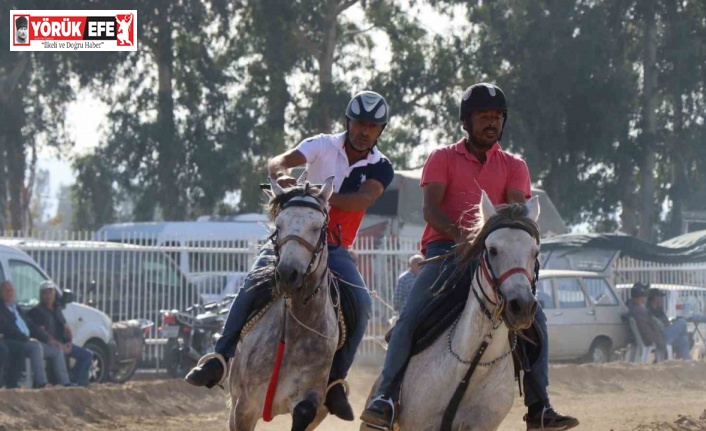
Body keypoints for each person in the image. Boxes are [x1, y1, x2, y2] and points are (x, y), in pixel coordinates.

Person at [361, 83, 578, 431]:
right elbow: (431, 210)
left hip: (495, 256)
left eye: (497, 117)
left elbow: (512, 212)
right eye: (483, 116)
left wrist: (493, 245)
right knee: (411, 317)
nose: (491, 123)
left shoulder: (514, 165)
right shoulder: (442, 157)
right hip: (446, 251)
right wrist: (466, 240)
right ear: (466, 121)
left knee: (536, 321)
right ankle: (385, 397)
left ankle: (539, 406)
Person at [186, 90, 395, 421]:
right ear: (348, 122)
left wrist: (314, 195)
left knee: (363, 303)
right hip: (292, 239)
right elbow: (276, 161)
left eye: (372, 126)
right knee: (252, 284)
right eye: (359, 123)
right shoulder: (323, 144)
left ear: (380, 130)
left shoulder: (381, 166)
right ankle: (220, 357)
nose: (364, 130)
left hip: (334, 248)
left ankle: (335, 383)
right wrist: (283, 176)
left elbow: (361, 200)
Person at [28, 281, 92, 386]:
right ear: (41, 295)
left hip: (62, 343)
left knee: (87, 355)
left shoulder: (57, 309)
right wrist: (57, 344)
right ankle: (67, 383)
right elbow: (40, 333)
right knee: (58, 352)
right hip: (50, 345)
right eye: (45, 293)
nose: (48, 296)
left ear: (54, 294)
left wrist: (68, 341)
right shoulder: (36, 312)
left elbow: (65, 328)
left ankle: (79, 383)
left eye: (50, 292)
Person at [0, 281, 49, 388]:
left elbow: (30, 325)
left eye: (11, 290)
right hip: (15, 339)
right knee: (32, 347)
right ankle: (41, 383)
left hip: (26, 338)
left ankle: (65, 382)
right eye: (6, 290)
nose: (9, 293)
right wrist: (27, 338)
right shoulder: (1, 308)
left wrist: (46, 337)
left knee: (56, 350)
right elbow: (8, 328)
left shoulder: (16, 308)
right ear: (1, 292)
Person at [646, 288, 691, 360]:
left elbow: (665, 322)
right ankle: (680, 358)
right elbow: (654, 326)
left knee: (684, 339)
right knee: (682, 322)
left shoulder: (659, 310)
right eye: (660, 297)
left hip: (665, 333)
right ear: (655, 298)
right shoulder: (649, 311)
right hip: (660, 337)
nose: (661, 299)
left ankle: (687, 362)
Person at [627, 283, 665, 353]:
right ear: (640, 297)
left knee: (683, 340)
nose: (646, 298)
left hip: (654, 337)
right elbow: (647, 330)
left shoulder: (634, 308)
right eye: (645, 295)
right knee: (681, 323)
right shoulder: (640, 311)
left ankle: (685, 359)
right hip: (656, 339)